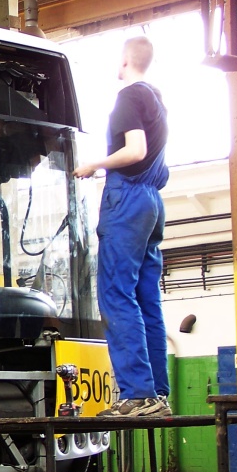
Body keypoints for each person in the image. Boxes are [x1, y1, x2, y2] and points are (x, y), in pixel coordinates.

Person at [74, 36, 171, 417]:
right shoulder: (157, 100)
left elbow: (135, 151)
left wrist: (93, 164)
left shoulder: (129, 97)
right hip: (151, 203)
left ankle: (136, 394)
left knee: (116, 294)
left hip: (128, 199)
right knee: (147, 298)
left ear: (125, 60)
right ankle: (156, 395)